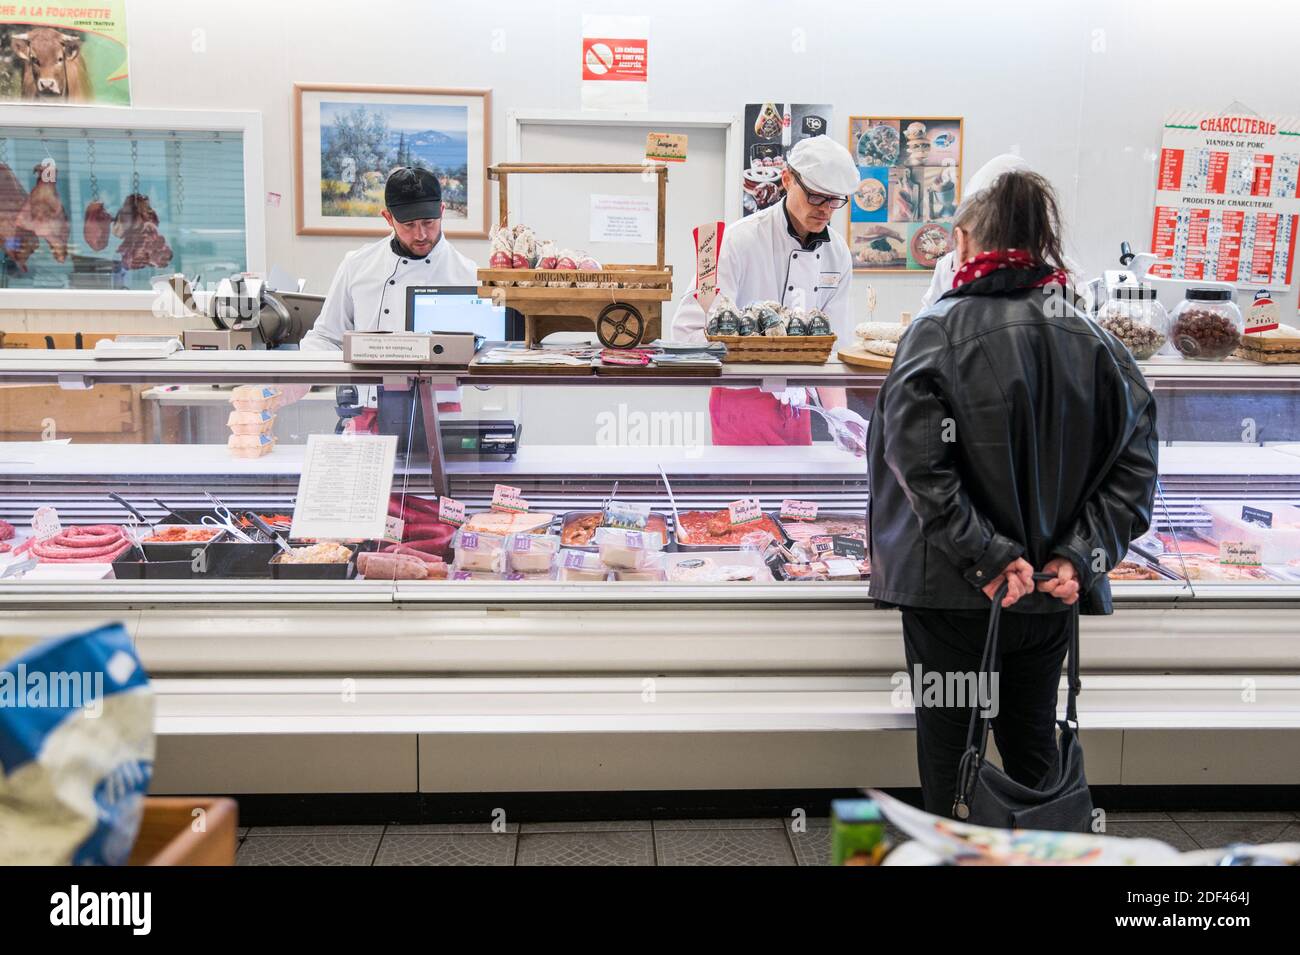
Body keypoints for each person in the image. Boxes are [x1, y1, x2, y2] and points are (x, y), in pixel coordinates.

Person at [867, 169, 1159, 818]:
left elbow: (919, 465)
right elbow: (1137, 468)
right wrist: (1080, 555)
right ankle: (1047, 851)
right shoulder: (1094, 338)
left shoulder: (937, 330)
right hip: (1050, 593)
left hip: (953, 594)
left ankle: (958, 854)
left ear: (966, 242)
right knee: (1034, 748)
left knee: (951, 757)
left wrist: (989, 556)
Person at [672, 135, 859, 446]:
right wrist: (767, 372)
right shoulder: (737, 240)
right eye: (816, 196)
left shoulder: (838, 253)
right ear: (787, 179)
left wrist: (839, 416)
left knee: (795, 491)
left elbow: (833, 347)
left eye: (835, 200)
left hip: (800, 404)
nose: (826, 210)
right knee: (744, 491)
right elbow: (688, 331)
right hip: (740, 399)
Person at [299, 166, 477, 426]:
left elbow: (484, 353)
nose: (421, 234)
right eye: (408, 225)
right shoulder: (357, 265)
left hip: (440, 409)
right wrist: (295, 377)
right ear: (388, 217)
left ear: (441, 212)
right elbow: (327, 336)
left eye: (428, 222)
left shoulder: (467, 273)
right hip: (367, 408)